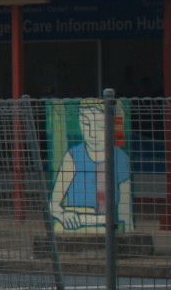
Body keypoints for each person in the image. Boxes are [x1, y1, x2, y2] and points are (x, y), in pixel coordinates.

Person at [50, 100, 133, 234]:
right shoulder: (72, 157)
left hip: (107, 228)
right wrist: (62, 215)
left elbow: (125, 208)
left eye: (101, 126)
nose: (92, 134)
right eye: (85, 123)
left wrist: (127, 232)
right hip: (74, 227)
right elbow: (54, 204)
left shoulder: (120, 158)